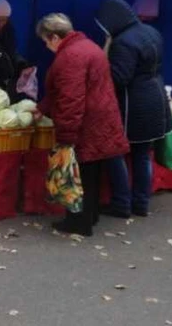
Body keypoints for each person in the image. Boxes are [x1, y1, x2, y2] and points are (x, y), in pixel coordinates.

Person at [35, 13, 129, 237]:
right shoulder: (87, 46)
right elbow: (65, 92)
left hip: (87, 123)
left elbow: (70, 98)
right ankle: (91, 214)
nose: (46, 46)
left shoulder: (70, 57)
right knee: (92, 172)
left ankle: (78, 222)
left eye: (46, 41)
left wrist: (67, 135)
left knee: (79, 174)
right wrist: (43, 108)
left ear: (55, 37)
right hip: (101, 119)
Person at [96, 0, 172, 218]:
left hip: (134, 105)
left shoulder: (123, 42)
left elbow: (119, 78)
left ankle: (121, 203)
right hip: (155, 98)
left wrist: (104, 58)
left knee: (115, 153)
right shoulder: (151, 32)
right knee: (142, 155)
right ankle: (141, 203)